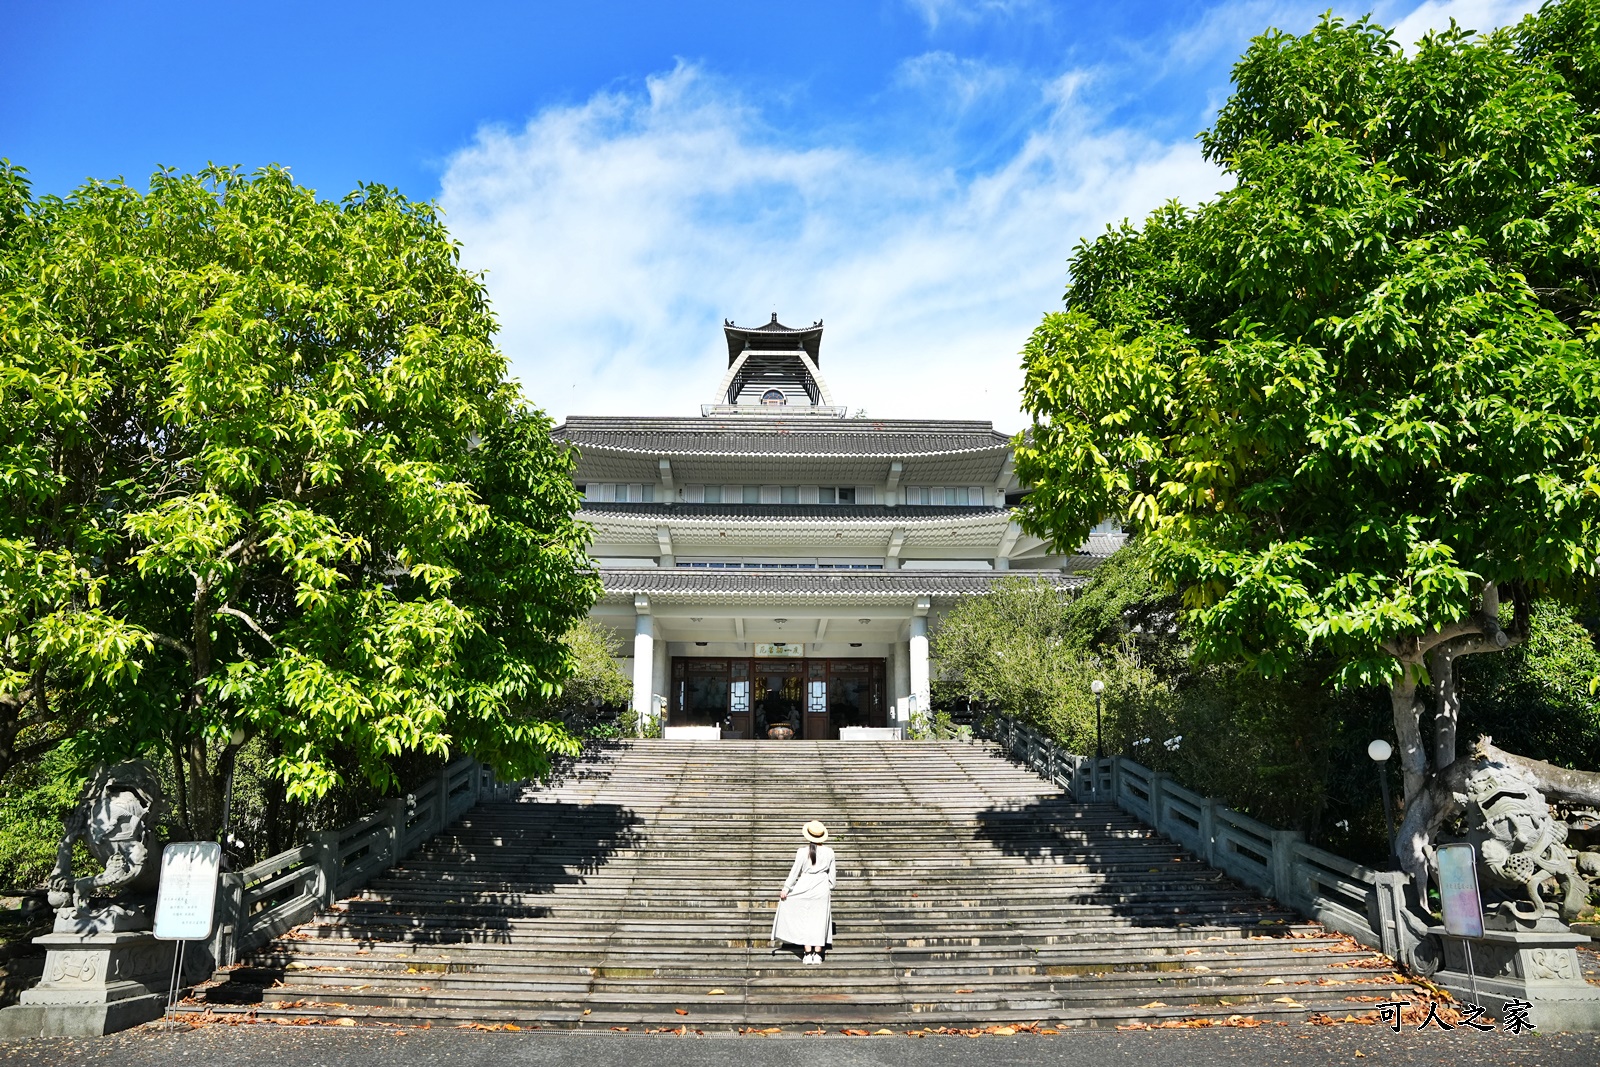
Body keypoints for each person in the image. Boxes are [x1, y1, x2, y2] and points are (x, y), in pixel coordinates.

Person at [773, 821, 836, 964]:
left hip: (804, 885)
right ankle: (818, 954)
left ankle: (807, 953)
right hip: (821, 888)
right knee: (819, 921)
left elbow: (794, 872)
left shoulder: (802, 852)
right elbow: (832, 880)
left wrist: (786, 888)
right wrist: (827, 886)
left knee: (805, 920)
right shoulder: (830, 852)